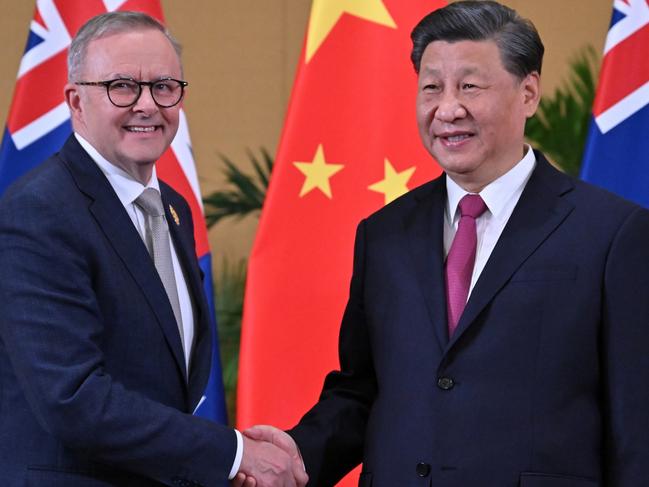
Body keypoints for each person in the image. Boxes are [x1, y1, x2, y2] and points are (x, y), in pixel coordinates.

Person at [239, 1, 649, 486]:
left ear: (529, 93)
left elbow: (636, 423)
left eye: (470, 86)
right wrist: (300, 458)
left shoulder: (612, 231)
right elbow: (365, 389)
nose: (447, 109)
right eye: (431, 87)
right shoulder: (384, 233)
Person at [0, 11, 307, 487]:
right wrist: (232, 453)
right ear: (76, 102)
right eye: (122, 86)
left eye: (164, 86)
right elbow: (73, 398)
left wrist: (214, 458)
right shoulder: (38, 213)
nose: (147, 105)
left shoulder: (174, 210)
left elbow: (158, 385)